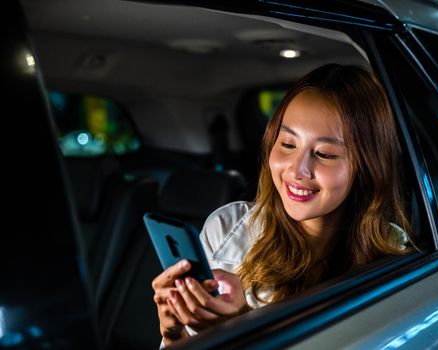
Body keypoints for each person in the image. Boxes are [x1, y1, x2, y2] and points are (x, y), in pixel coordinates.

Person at [152, 63, 412, 345]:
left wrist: (242, 329)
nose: (297, 170)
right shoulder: (228, 227)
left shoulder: (391, 250)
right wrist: (173, 334)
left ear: (367, 165)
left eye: (324, 153)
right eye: (287, 144)